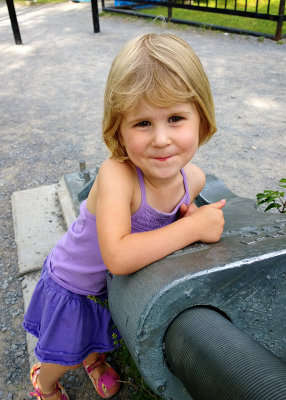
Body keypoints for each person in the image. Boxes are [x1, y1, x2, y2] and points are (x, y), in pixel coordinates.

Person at [24, 32, 226, 400]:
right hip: (75, 285)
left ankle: (93, 357)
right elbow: (117, 256)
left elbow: (175, 216)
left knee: (95, 334)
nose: (161, 139)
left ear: (202, 118)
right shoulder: (118, 175)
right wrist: (194, 227)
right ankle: (45, 380)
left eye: (176, 118)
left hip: (106, 289)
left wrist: (189, 215)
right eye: (143, 123)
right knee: (64, 351)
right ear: (118, 127)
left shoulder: (191, 179)